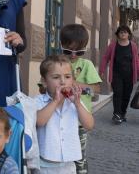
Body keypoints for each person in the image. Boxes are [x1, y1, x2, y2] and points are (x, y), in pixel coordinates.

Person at [35, 55, 94, 174]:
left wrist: (77, 104)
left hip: (68, 163)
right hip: (44, 165)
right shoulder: (38, 101)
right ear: (44, 82)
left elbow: (89, 125)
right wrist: (55, 101)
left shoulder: (74, 102)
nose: (63, 81)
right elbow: (39, 121)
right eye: (56, 77)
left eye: (67, 77)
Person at [60, 24, 102, 174]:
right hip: (59, 119)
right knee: (60, 156)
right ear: (61, 45)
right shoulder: (55, 63)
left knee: (79, 157)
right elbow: (42, 87)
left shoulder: (86, 64)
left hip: (80, 122)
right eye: (67, 51)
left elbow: (96, 89)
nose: (73, 56)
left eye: (79, 52)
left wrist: (74, 84)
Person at [99, 25, 139, 124]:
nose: (123, 34)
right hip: (116, 74)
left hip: (129, 75)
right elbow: (105, 57)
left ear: (129, 34)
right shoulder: (113, 45)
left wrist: (138, 72)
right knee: (118, 93)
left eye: (125, 32)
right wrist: (102, 70)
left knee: (126, 95)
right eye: (121, 32)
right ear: (118, 34)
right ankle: (117, 114)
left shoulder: (133, 46)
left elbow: (136, 60)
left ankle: (122, 113)